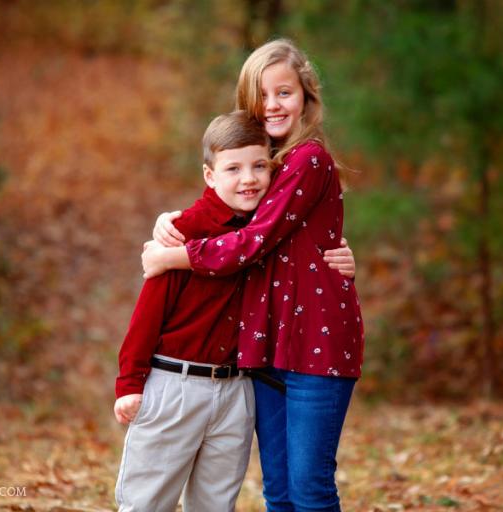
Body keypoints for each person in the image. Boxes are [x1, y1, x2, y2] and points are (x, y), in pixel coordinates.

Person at [142, 39, 365, 512]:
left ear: (305, 94)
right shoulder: (263, 168)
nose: (273, 105)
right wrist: (175, 220)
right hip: (267, 348)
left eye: (284, 92)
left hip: (315, 347)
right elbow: (225, 210)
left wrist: (172, 257)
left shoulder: (308, 160)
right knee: (279, 493)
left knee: (310, 491)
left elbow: (253, 241)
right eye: (261, 96)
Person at [114, 111, 278, 511]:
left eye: (259, 166)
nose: (248, 179)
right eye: (233, 168)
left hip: (237, 390)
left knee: (215, 504)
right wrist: (129, 382)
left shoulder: (273, 230)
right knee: (147, 502)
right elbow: (147, 315)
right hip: (176, 385)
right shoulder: (182, 231)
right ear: (210, 175)